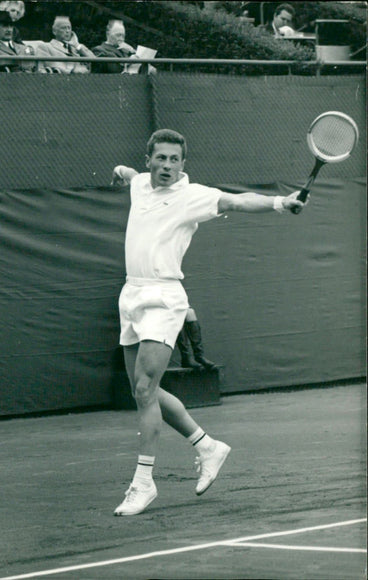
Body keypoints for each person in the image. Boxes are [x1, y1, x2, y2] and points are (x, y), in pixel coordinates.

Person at [109, 129, 304, 516]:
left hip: (164, 298)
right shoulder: (140, 185)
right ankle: (207, 446)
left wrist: (281, 202)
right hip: (130, 295)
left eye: (174, 160)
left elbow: (238, 200)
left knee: (146, 388)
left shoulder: (192, 196)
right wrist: (122, 171)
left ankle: (144, 483)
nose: (166, 166)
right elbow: (130, 175)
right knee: (143, 389)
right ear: (150, 159)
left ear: (184, 164)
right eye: (160, 158)